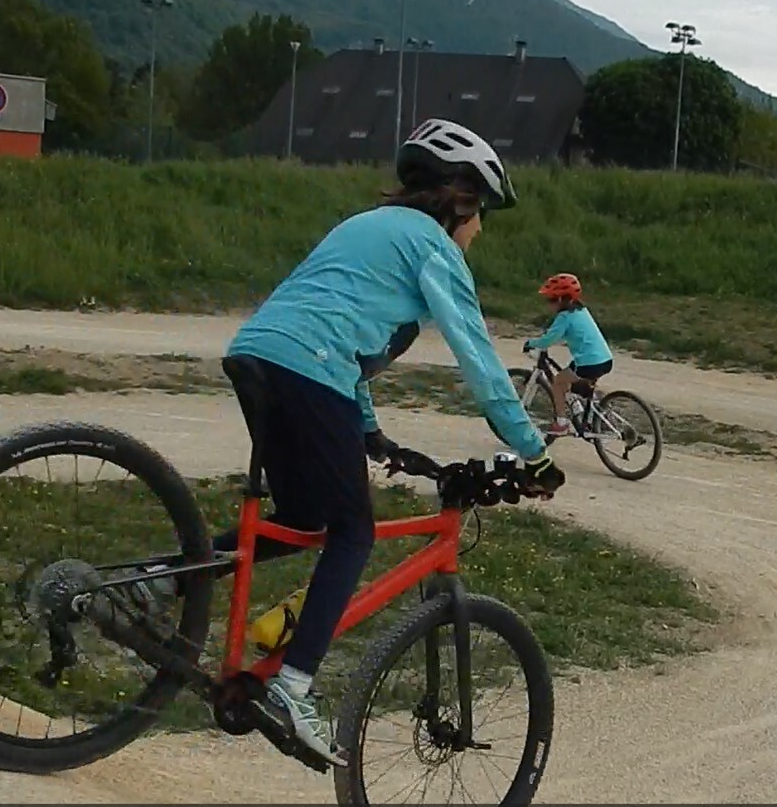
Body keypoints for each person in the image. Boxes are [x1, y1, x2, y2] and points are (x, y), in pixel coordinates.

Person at [136, 119, 565, 767]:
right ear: (461, 199)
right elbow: (479, 360)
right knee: (354, 531)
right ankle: (293, 686)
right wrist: (533, 451)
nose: (479, 230)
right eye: (481, 214)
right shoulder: (434, 247)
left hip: (259, 356)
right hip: (310, 368)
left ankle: (155, 581)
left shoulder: (367, 225)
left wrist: (369, 432)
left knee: (304, 519)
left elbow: (342, 330)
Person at [522, 273, 614, 436]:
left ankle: (562, 423)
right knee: (574, 380)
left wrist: (531, 343)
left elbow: (548, 340)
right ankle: (594, 416)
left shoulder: (564, 317)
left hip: (588, 363)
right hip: (604, 359)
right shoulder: (581, 310)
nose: (548, 304)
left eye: (550, 300)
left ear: (559, 300)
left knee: (558, 382)